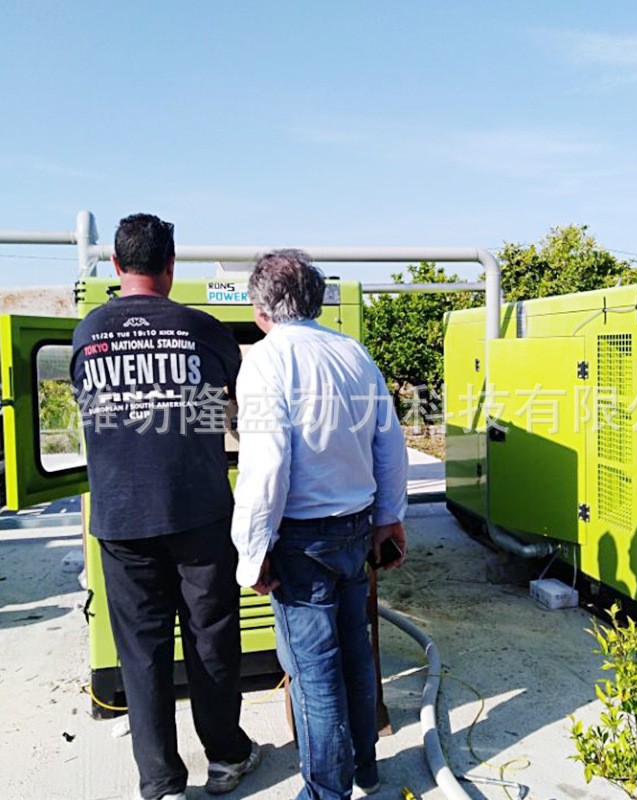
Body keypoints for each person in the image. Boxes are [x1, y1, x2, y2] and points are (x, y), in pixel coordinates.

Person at [70, 214, 261, 800]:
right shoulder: (203, 330)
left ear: (116, 265)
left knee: (141, 653)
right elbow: (240, 401)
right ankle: (226, 758)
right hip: (200, 515)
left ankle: (160, 782)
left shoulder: (87, 334)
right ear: (171, 266)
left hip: (122, 521)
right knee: (211, 639)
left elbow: (91, 406)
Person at [231, 249, 408, 800]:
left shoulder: (266, 360)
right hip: (355, 529)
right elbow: (390, 443)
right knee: (356, 653)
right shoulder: (353, 353)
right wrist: (389, 518)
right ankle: (364, 768)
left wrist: (253, 551)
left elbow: (266, 467)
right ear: (316, 301)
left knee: (315, 674)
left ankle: (326, 792)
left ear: (260, 309)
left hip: (301, 540)